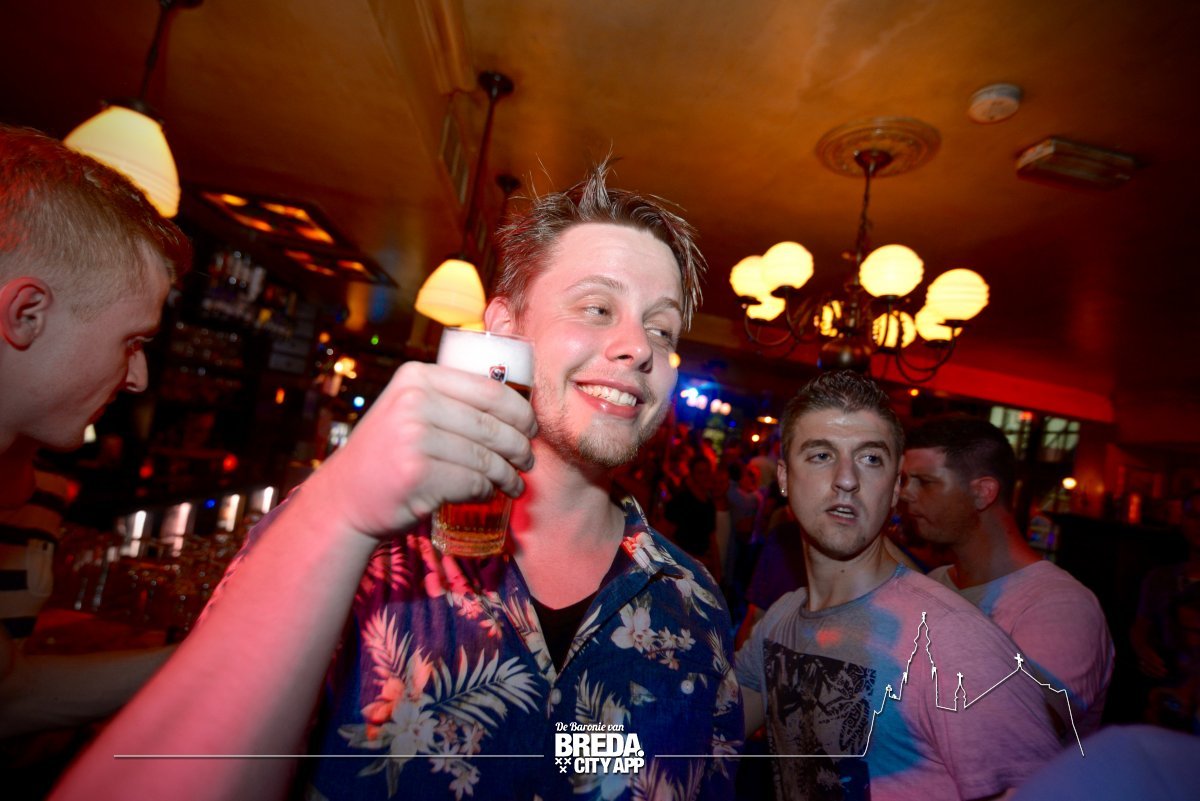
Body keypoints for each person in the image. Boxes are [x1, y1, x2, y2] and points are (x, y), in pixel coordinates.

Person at [52, 164, 741, 801]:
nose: (639, 347)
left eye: (662, 329)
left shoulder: (695, 604)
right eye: (596, 308)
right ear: (505, 331)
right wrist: (336, 513)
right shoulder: (350, 543)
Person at [736, 371, 1059, 801]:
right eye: (821, 455)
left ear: (894, 490)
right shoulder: (779, 621)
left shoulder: (953, 642)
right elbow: (703, 733)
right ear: (783, 477)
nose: (846, 479)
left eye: (871, 459)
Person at [0, 124, 189, 795]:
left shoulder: (36, 477)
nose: (137, 377)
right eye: (131, 341)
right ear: (27, 314)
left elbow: (7, 690)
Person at [902, 416, 1114, 739]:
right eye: (905, 480)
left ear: (983, 492)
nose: (905, 494)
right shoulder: (936, 581)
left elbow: (1016, 735)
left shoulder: (1060, 606)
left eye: (925, 482)